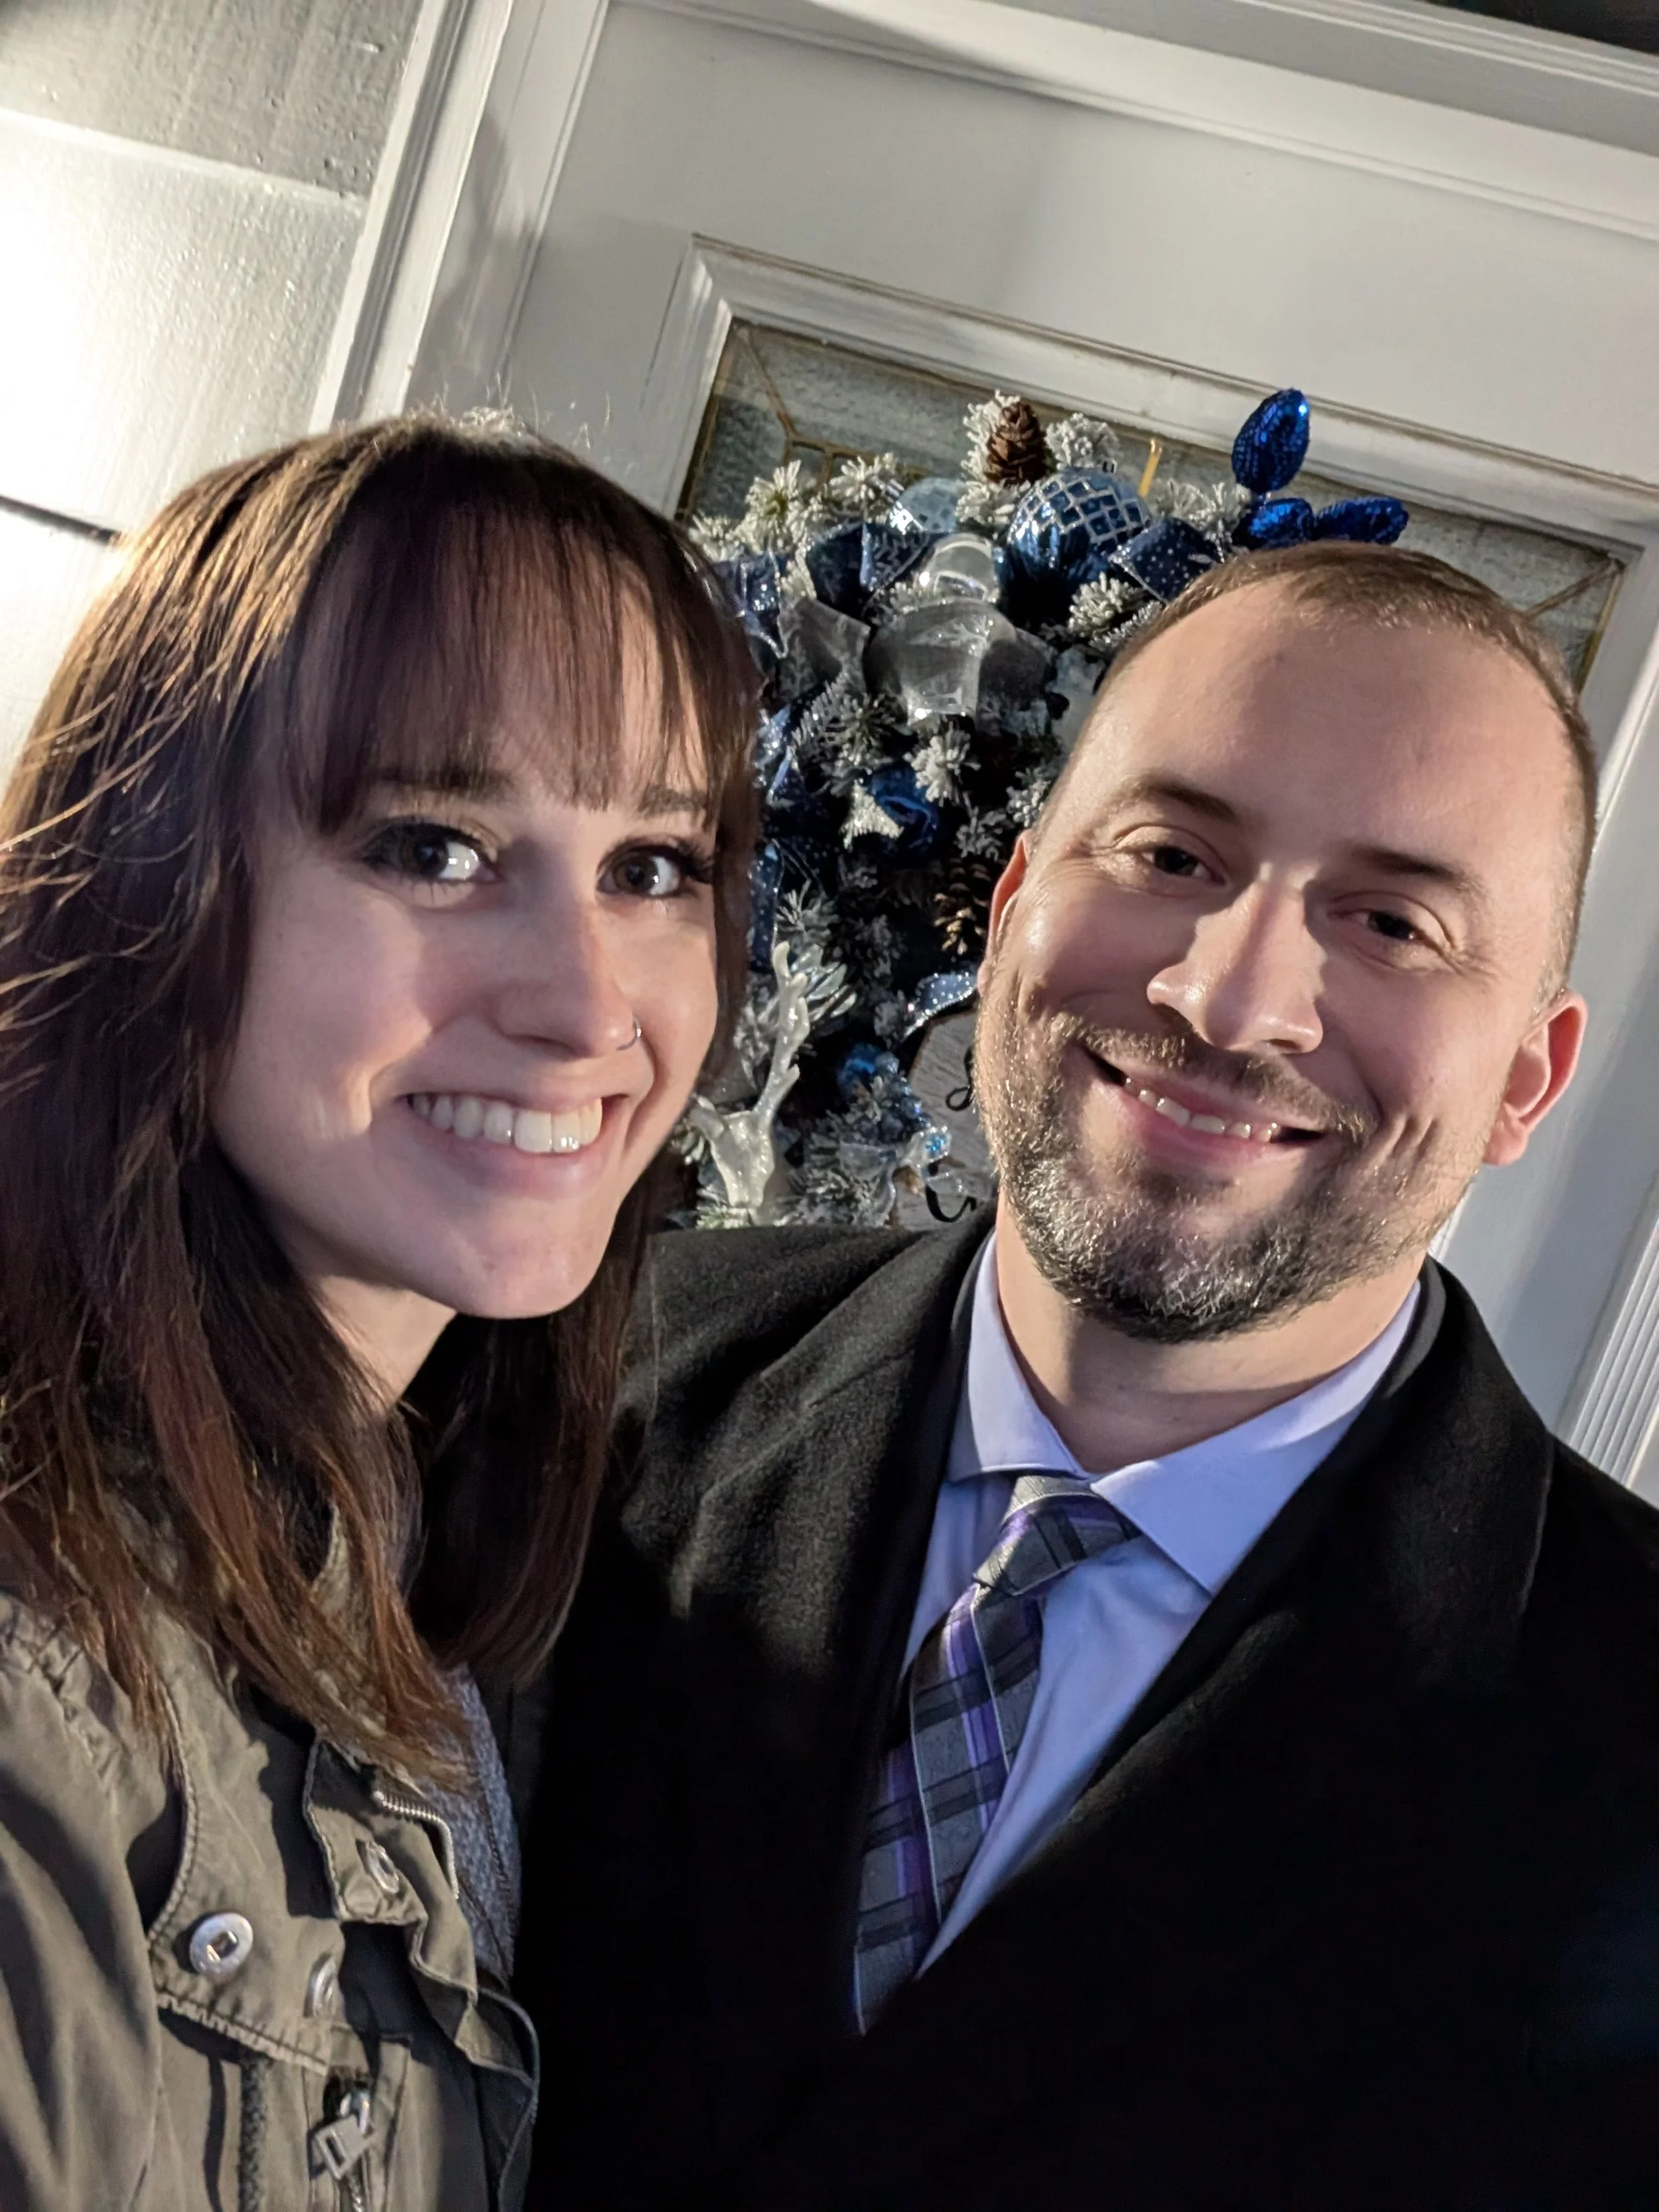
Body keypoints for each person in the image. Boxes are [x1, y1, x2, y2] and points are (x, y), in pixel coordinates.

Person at [513, 542, 1659, 2209]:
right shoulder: (578, 1374)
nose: (1229, 995)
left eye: (1393, 920)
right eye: (1171, 851)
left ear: (1519, 1083)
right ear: (1008, 912)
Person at [0, 415, 755, 2212]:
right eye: (432, 843)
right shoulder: (42, 1669)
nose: (587, 1004)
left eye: (653, 862)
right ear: (153, 884)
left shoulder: (483, 1534)